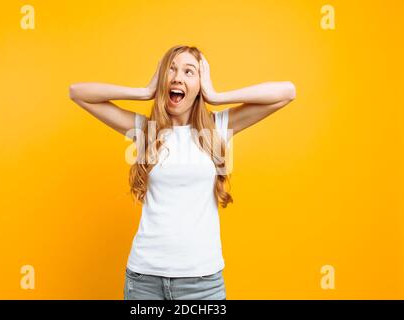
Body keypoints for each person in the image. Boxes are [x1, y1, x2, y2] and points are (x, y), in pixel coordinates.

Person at [69, 45, 296, 300]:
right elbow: (77, 92)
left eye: (189, 72)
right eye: (172, 69)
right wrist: (144, 92)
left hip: (202, 283)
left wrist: (216, 96)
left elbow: (287, 92)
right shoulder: (146, 130)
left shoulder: (218, 127)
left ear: (200, 84)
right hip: (145, 280)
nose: (178, 77)